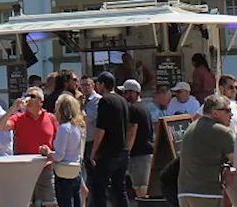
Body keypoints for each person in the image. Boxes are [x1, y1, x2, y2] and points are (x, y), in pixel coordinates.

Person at [0, 87, 58, 207]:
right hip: (24, 168)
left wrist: (51, 152)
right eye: (26, 95)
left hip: (45, 167)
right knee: (25, 203)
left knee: (51, 203)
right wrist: (12, 109)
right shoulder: (18, 118)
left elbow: (59, 140)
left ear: (41, 101)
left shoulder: (50, 118)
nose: (28, 99)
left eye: (32, 96)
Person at [177, 95, 235, 207]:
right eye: (228, 111)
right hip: (208, 193)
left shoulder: (190, 128)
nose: (231, 115)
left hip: (184, 193)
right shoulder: (223, 132)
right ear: (215, 113)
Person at [88, 72, 133, 207]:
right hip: (123, 150)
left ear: (102, 84)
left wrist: (93, 152)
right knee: (120, 188)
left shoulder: (105, 100)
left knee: (99, 187)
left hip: (108, 152)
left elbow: (101, 129)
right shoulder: (123, 100)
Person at [41, 91, 85, 207]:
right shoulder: (78, 127)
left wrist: (48, 153)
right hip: (76, 170)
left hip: (63, 172)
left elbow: (59, 156)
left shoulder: (64, 128)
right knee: (77, 201)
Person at [120, 79, 154, 200]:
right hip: (146, 151)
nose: (124, 95)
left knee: (140, 189)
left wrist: (126, 152)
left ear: (134, 93)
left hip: (139, 153)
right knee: (141, 187)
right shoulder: (144, 108)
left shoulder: (133, 109)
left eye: (126, 92)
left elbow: (131, 132)